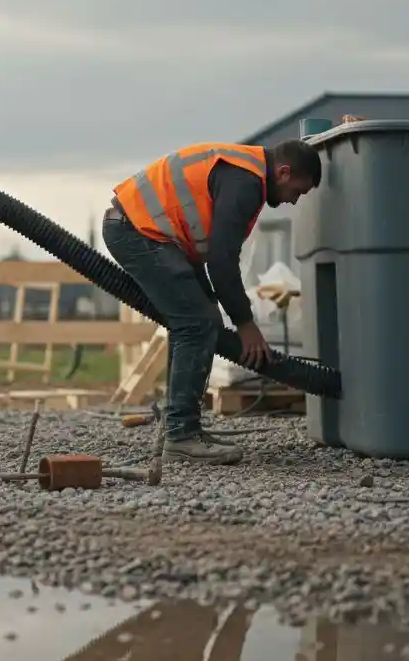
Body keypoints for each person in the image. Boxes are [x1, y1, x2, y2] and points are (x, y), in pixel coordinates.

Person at [101, 139, 322, 465]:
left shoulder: (246, 172)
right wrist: (246, 325)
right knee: (196, 322)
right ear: (284, 172)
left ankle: (181, 426)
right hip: (138, 230)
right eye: (298, 192)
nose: (293, 201)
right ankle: (181, 436)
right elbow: (221, 262)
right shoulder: (246, 181)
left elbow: (217, 256)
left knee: (200, 323)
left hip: (146, 231)